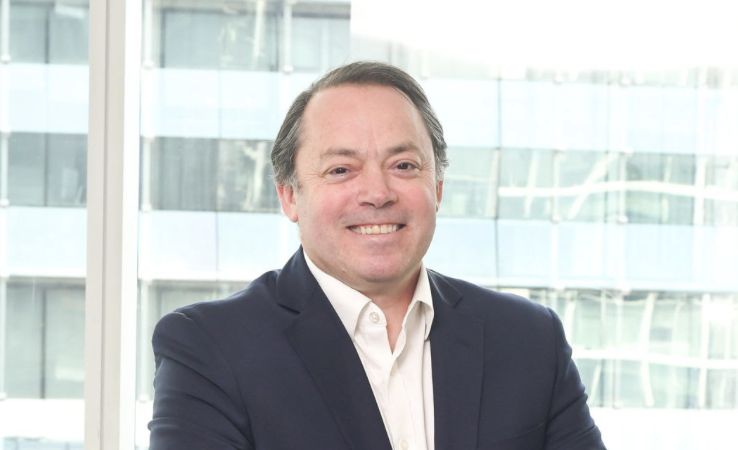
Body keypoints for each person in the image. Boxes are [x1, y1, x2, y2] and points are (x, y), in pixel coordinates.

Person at [149, 61, 606, 450]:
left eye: (403, 166)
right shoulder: (209, 347)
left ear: (438, 187)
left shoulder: (529, 338)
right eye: (341, 169)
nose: (377, 192)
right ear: (289, 195)